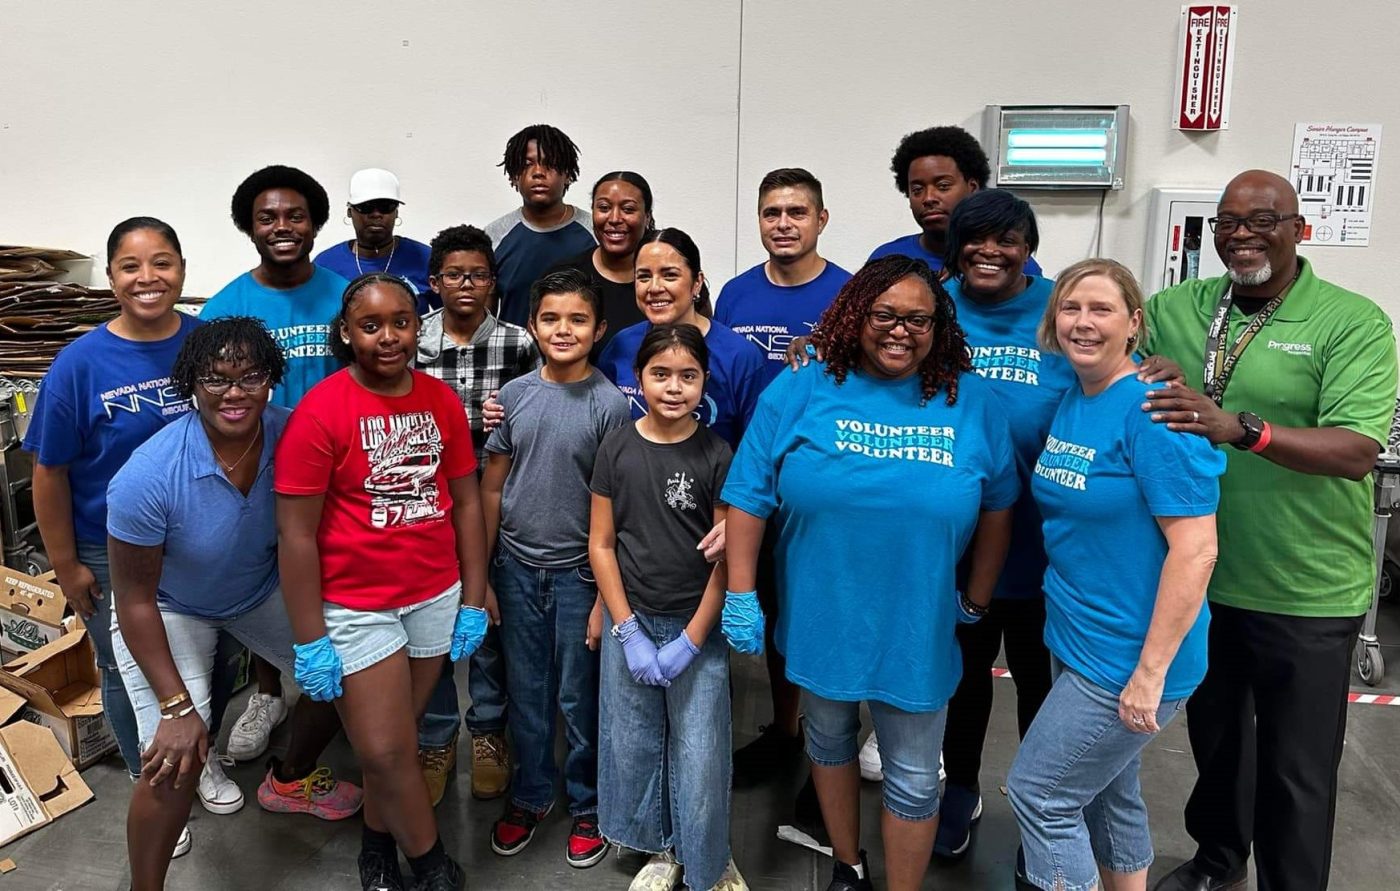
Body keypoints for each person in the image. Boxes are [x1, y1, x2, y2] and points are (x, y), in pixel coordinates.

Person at [722, 255, 1019, 891]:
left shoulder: (972, 401)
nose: (900, 330)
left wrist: (977, 595)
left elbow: (999, 503)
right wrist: (741, 595)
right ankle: (848, 867)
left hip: (918, 624)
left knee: (912, 776)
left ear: (939, 326)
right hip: (821, 613)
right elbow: (748, 493)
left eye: (918, 318)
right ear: (856, 316)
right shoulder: (801, 386)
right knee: (827, 742)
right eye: (884, 314)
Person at [1142, 170, 1398, 891]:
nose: (1241, 234)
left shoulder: (1350, 320)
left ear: (1299, 228)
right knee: (1217, 743)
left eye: (1262, 220)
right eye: (1227, 222)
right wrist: (1140, 368)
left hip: (1307, 586)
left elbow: (1355, 449)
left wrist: (1241, 428)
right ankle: (1220, 859)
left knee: (1297, 767)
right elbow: (1121, 368)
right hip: (1203, 575)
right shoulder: (1176, 306)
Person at [109, 318, 364, 890]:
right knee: (174, 757)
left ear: (272, 378)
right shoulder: (147, 476)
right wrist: (177, 708)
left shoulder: (293, 435)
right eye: (215, 378)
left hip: (258, 590)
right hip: (170, 607)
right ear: (190, 383)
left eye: (250, 377)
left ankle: (290, 779)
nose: (233, 392)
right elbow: (134, 601)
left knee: (343, 677)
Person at [1005, 258, 1225, 891]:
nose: (1083, 322)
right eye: (1071, 308)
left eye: (1101, 309)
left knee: (1040, 794)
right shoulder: (1077, 396)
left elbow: (1196, 550)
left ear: (1134, 323)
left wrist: (1149, 674)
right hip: (1077, 636)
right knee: (1107, 794)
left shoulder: (1154, 413)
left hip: (1127, 654)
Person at [275, 273, 489, 891]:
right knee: (387, 752)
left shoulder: (440, 400)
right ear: (346, 333)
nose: (388, 337)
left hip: (433, 595)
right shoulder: (320, 413)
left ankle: (374, 846)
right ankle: (432, 866)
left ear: (416, 327)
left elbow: (466, 504)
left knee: (391, 746)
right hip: (356, 606)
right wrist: (311, 638)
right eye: (371, 326)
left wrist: (472, 597)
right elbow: (295, 536)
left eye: (401, 322)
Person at [25, 217, 201, 852]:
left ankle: (197, 763)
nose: (147, 278)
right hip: (110, 548)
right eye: (130, 266)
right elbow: (49, 470)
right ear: (111, 277)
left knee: (202, 658)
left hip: (197, 538)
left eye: (162, 262)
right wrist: (66, 565)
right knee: (127, 668)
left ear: (182, 267)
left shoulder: (205, 343)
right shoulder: (79, 363)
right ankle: (150, 779)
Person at [927, 189, 1071, 864]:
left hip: (1047, 542)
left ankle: (1044, 812)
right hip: (956, 540)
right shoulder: (933, 303)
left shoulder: (1059, 311)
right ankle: (959, 788)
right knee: (963, 675)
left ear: (1028, 249)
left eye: (1004, 239)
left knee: (1044, 686)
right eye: (973, 239)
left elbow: (1109, 374)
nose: (988, 251)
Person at [202, 164, 350, 775]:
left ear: (315, 222)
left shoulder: (346, 294)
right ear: (249, 227)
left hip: (345, 469)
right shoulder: (226, 305)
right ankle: (268, 693)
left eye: (295, 215)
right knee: (264, 581)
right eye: (268, 217)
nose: (282, 227)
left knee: (337, 579)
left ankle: (339, 686)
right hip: (262, 473)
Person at [481, 268, 630, 868]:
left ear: (598, 330)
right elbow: (492, 490)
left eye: (577, 319)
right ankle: (532, 793)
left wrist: (601, 596)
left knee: (578, 696)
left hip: (580, 577)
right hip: (515, 569)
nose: (562, 329)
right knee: (528, 691)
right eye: (550, 318)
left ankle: (588, 802)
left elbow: (618, 509)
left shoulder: (609, 405)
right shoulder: (514, 398)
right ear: (533, 325)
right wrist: (485, 576)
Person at [591, 323, 747, 891]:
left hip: (694, 626)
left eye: (688, 376)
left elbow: (725, 558)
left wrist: (693, 638)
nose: (674, 388)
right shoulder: (617, 446)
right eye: (660, 375)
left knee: (700, 749)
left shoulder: (717, 454)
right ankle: (658, 847)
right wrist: (625, 627)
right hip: (629, 617)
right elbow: (601, 543)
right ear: (639, 379)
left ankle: (707, 856)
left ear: (705, 381)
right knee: (633, 740)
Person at [714, 168, 850, 816]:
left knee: (818, 614)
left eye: (798, 211)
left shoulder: (849, 295)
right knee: (768, 608)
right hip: (752, 478)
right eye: (772, 212)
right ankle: (786, 728)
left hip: (823, 481)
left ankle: (833, 742)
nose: (784, 223)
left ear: (822, 218)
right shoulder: (736, 295)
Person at [416, 223, 540, 806]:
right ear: (434, 282)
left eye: (479, 275)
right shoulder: (410, 338)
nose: (467, 285)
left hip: (494, 499)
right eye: (455, 275)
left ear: (495, 282)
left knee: (486, 614)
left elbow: (539, 408)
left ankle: (490, 732)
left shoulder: (520, 342)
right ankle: (435, 737)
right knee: (430, 623)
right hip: (422, 501)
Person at [597, 228, 767, 452]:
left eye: (669, 275)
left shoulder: (739, 356)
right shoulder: (622, 345)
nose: (655, 288)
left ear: (697, 283)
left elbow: (756, 452)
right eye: (644, 276)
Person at [868, 125, 1042, 276]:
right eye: (917, 190)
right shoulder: (885, 259)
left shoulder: (1010, 264)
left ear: (972, 188)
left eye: (943, 186)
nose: (928, 198)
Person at [485, 124, 596, 327]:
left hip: (582, 356)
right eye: (527, 164)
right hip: (514, 357)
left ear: (568, 174)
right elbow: (484, 320)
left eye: (549, 164)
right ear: (513, 176)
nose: (538, 173)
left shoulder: (595, 232)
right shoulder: (493, 238)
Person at [549, 171, 655, 357]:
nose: (614, 219)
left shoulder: (668, 282)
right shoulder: (564, 276)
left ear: (646, 217)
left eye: (628, 209)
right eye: (604, 208)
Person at [314, 168, 436, 313]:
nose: (376, 215)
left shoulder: (425, 259)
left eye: (386, 207)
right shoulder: (325, 264)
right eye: (366, 207)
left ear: (396, 212)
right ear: (349, 212)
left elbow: (446, 320)